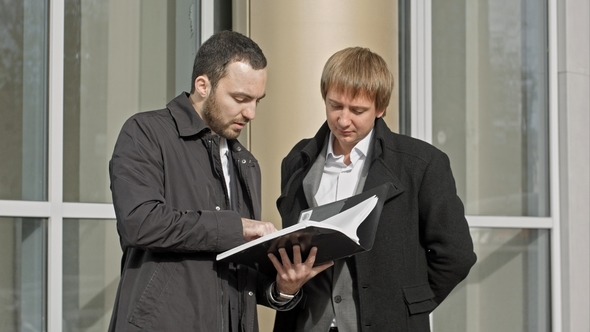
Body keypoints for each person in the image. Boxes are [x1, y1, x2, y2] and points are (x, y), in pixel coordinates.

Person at [108, 30, 331, 332]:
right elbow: (141, 223)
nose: (250, 112)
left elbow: (238, 271)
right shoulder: (145, 132)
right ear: (203, 85)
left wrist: (282, 288)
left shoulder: (246, 163)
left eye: (257, 101)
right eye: (240, 98)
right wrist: (236, 226)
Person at [272, 47, 477, 332]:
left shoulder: (423, 165)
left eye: (357, 110)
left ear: (380, 109)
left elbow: (456, 255)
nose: (343, 120)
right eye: (335, 106)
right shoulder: (296, 162)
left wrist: (409, 306)